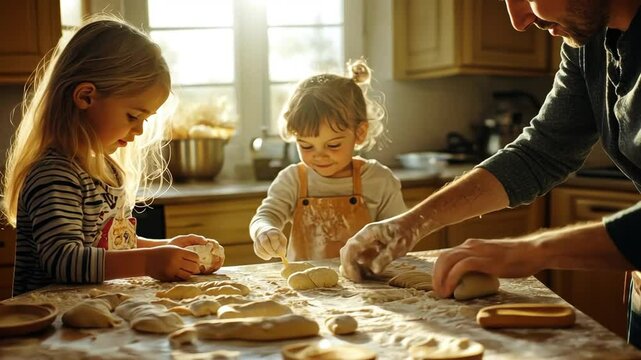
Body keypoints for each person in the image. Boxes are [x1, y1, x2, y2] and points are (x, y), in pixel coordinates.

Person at [340, 0, 641, 346]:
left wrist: (528, 251)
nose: (518, 21)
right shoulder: (587, 41)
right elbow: (540, 153)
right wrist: (410, 224)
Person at [1, 16, 223, 296]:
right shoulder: (55, 175)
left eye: (146, 119)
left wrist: (167, 248)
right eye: (133, 115)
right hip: (52, 324)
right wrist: (147, 261)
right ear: (85, 97)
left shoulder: (108, 170)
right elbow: (63, 260)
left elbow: (113, 246)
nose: (140, 129)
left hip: (94, 312)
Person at [250, 59, 406, 261]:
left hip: (368, 286)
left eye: (333, 145)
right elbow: (265, 215)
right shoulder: (293, 180)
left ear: (359, 133)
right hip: (307, 288)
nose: (319, 155)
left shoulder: (380, 181)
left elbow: (402, 232)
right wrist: (264, 231)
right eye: (306, 146)